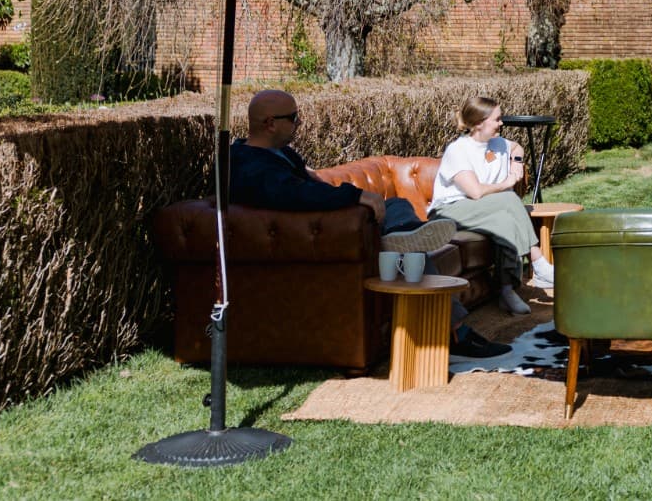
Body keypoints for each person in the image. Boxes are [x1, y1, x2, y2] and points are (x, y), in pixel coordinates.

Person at [229, 89, 509, 357]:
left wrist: (321, 181)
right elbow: (297, 194)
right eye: (293, 118)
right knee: (409, 248)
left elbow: (309, 183)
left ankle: (402, 237)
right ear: (269, 124)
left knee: (397, 207)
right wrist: (356, 195)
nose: (299, 124)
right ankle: (456, 329)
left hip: (332, 226)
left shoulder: (279, 154)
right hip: (320, 237)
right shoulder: (249, 166)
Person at [429, 96, 555, 316]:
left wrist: (516, 163)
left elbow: (517, 146)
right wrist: (506, 183)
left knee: (504, 221)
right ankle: (538, 261)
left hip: (479, 209)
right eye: (497, 119)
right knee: (508, 198)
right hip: (449, 211)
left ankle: (506, 290)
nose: (501, 123)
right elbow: (475, 192)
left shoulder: (496, 143)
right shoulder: (458, 151)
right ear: (479, 123)